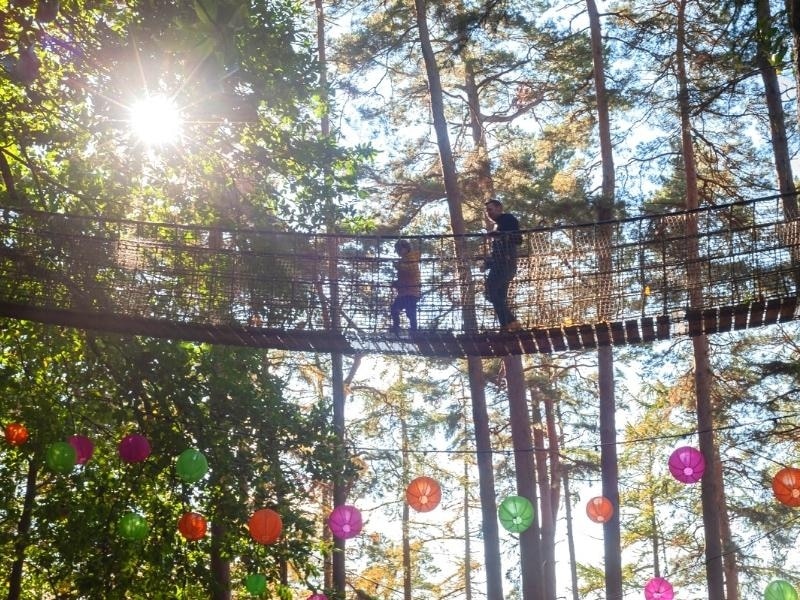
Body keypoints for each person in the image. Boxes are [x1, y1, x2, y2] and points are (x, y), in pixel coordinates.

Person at [483, 199, 522, 332]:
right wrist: (487, 264)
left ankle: (510, 322)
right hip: (500, 265)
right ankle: (506, 326)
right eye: (487, 211)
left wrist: (500, 234)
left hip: (505, 264)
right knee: (498, 296)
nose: (488, 213)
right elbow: (496, 252)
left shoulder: (508, 219)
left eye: (490, 209)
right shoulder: (496, 226)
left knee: (490, 291)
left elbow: (518, 239)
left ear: (499, 208)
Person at [390, 239, 421, 334]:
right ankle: (396, 328)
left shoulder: (411, 257)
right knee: (395, 308)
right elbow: (405, 276)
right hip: (404, 292)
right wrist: (397, 283)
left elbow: (411, 270)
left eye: (399, 250)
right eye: (397, 250)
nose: (398, 252)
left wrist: (399, 266)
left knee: (410, 312)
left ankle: (414, 331)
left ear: (405, 248)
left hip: (411, 291)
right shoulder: (404, 259)